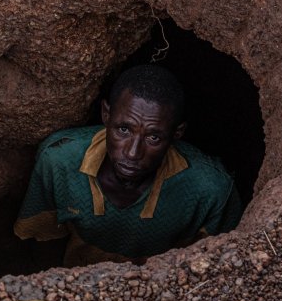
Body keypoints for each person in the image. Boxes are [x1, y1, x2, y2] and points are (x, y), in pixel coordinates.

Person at [14, 64, 242, 267]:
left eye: (153, 137)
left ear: (177, 134)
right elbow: (42, 240)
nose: (133, 153)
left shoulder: (210, 190)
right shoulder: (59, 161)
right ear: (106, 114)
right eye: (124, 129)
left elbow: (217, 267)